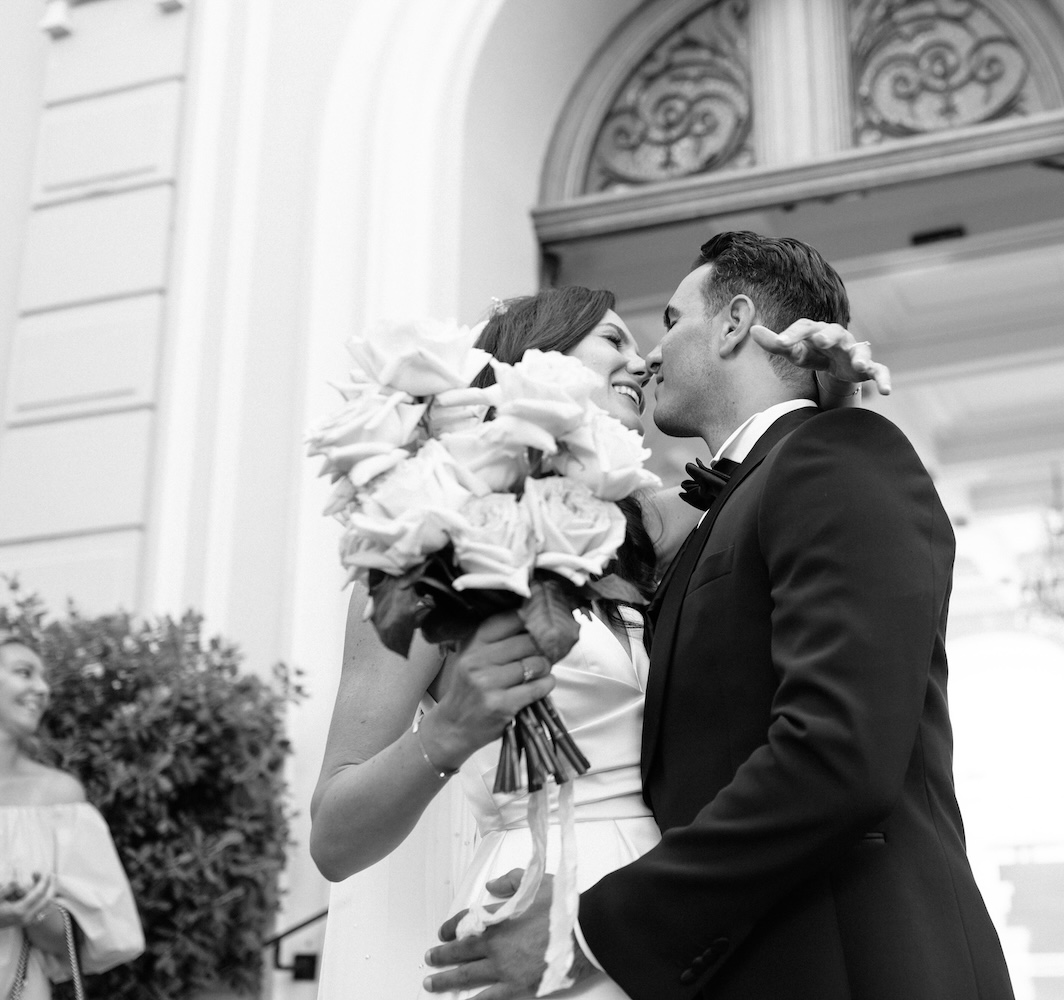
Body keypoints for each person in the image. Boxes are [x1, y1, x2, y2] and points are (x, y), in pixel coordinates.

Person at [425, 233, 1014, 1000]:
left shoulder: (837, 453)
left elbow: (833, 756)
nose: (652, 355)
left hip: (858, 963)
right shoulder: (716, 510)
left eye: (671, 320)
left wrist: (585, 932)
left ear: (735, 323)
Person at [310, 286, 886, 999]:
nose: (643, 361)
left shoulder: (655, 527)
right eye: (614, 339)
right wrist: (451, 730)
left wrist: (829, 404)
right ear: (534, 357)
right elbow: (335, 838)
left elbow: (788, 489)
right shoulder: (425, 531)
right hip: (537, 894)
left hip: (670, 914)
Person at [0, 634, 145, 998]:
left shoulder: (58, 799)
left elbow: (79, 944)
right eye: (24, 672)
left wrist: (30, 911)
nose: (42, 688)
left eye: (43, 676)